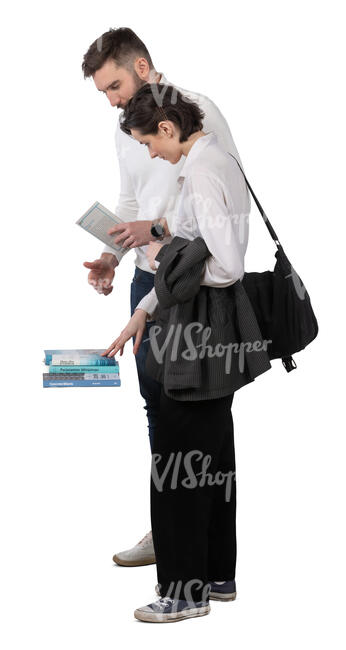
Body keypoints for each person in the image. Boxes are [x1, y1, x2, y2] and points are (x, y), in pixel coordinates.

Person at [81, 26, 248, 567]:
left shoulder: (200, 113)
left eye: (114, 86)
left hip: (196, 280)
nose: (111, 101)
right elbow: (131, 201)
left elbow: (226, 199)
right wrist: (113, 256)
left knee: (200, 416)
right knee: (160, 411)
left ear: (143, 69)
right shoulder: (124, 128)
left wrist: (161, 231)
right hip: (150, 280)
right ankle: (169, 527)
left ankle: (198, 549)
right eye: (103, 93)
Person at [102, 83, 267, 623]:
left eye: (150, 143)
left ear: (168, 129)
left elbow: (225, 264)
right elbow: (194, 244)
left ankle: (182, 594)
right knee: (213, 459)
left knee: (177, 461)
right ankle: (217, 578)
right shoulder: (211, 157)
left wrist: (161, 267)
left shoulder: (198, 169)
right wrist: (142, 312)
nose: (150, 154)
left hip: (194, 334)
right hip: (205, 331)